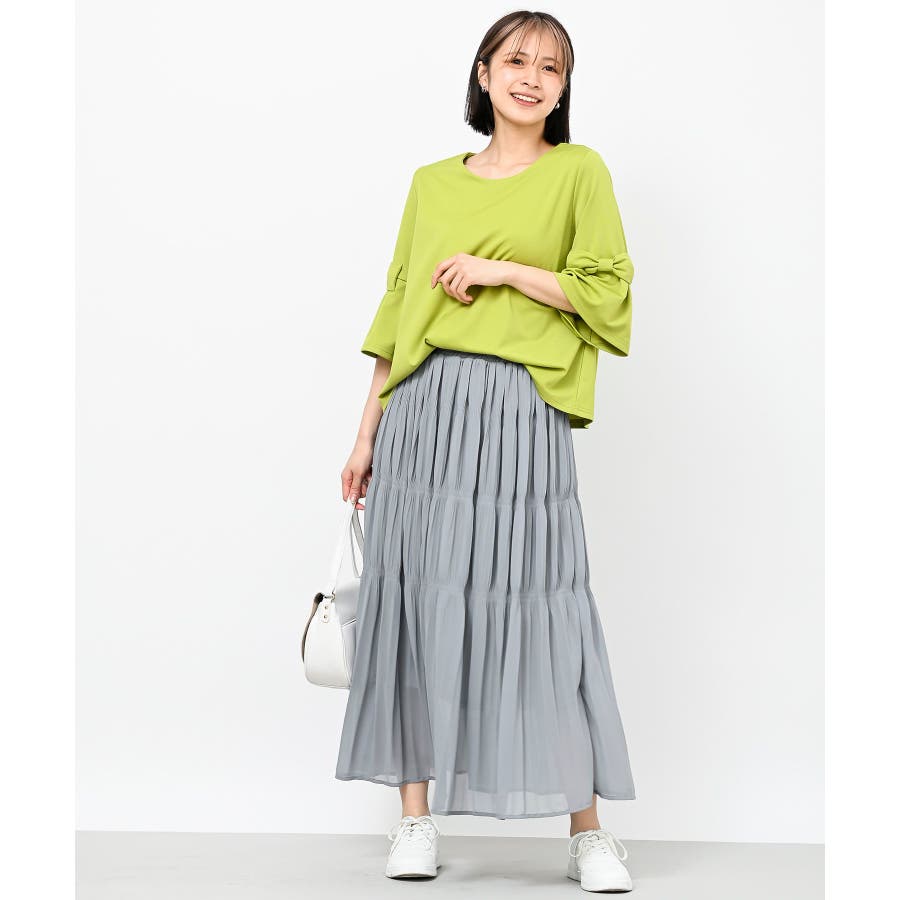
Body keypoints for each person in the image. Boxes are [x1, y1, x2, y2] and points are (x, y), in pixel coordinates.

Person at [335, 10, 636, 892]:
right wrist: (366, 433)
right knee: (417, 602)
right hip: (424, 412)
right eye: (516, 60)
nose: (532, 77)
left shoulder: (579, 172)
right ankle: (415, 819)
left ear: (564, 87)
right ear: (483, 72)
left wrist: (499, 270)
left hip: (518, 412)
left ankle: (587, 832)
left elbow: (605, 291)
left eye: (551, 66)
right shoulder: (431, 183)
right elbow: (399, 309)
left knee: (544, 603)